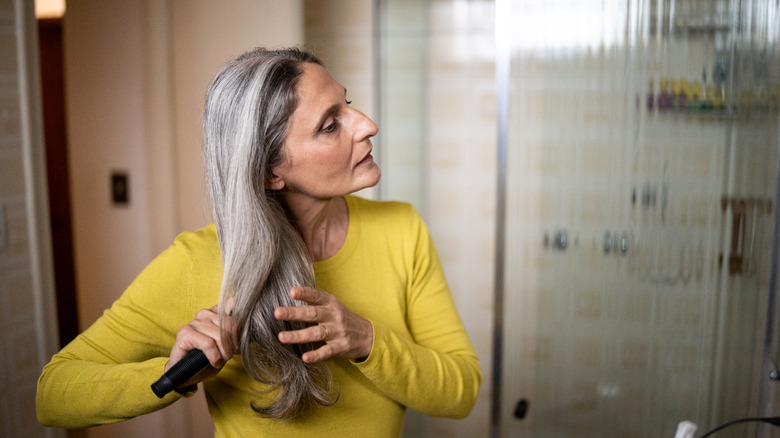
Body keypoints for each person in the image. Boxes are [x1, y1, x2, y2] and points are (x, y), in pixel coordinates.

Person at [36, 47, 481, 437]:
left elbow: (460, 392)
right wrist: (175, 374)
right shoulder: (199, 261)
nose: (367, 124)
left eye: (347, 105)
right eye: (330, 125)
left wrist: (366, 339)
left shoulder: (402, 229)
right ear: (271, 172)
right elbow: (53, 394)